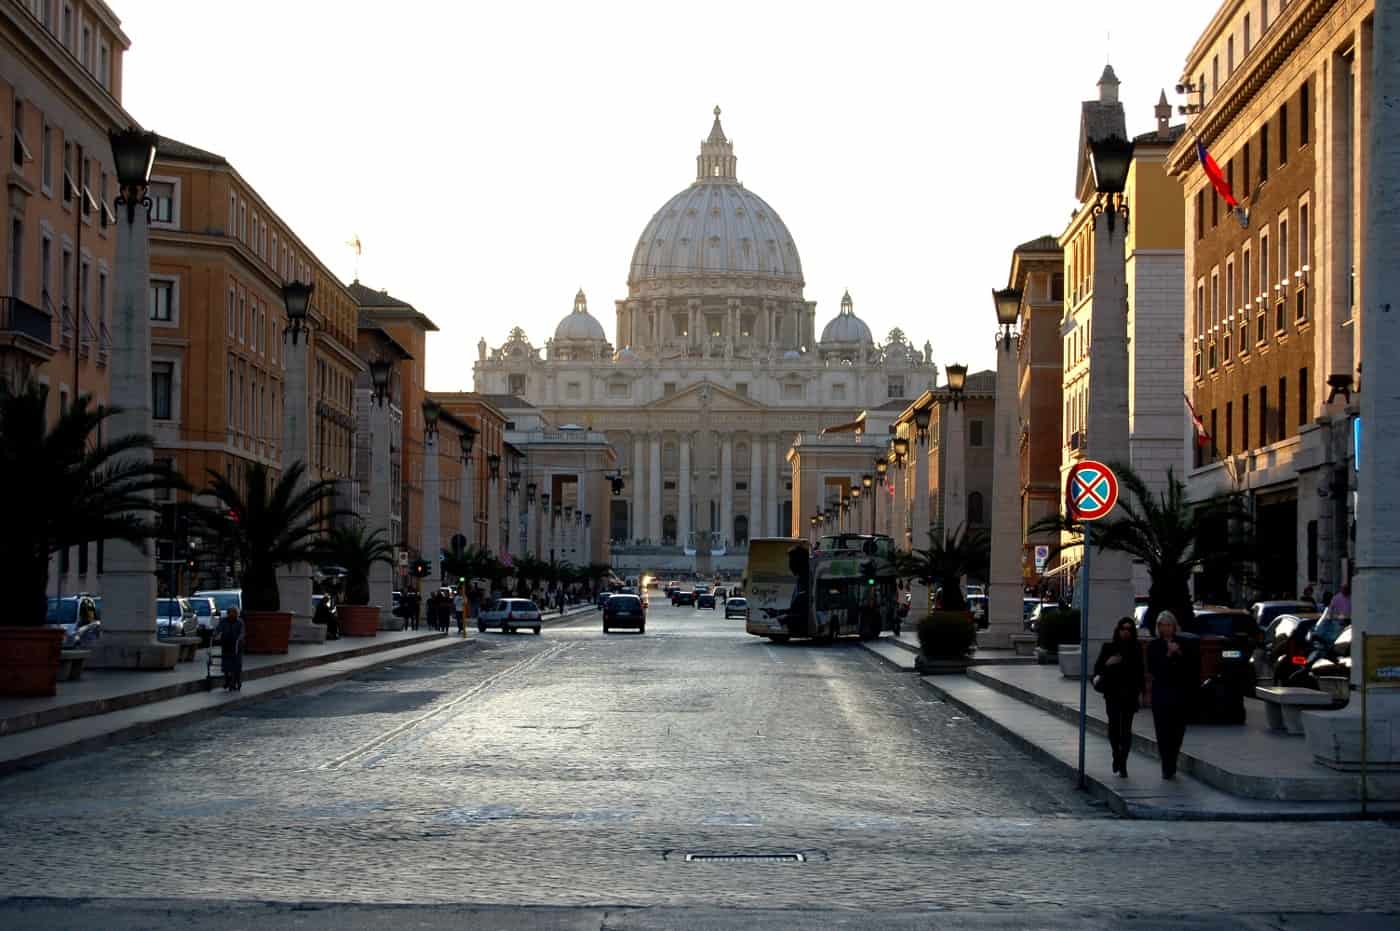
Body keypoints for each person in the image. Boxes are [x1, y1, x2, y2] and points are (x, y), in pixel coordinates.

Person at [1094, 617, 1146, 777]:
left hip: (1130, 694)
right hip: (1112, 693)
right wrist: (1108, 664)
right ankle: (1116, 754)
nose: (1126, 631)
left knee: (1126, 729)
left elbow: (1140, 672)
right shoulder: (1109, 647)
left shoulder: (1136, 648)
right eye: (1123, 628)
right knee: (1114, 727)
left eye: (1129, 629)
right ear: (1118, 630)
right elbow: (1097, 670)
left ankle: (1123, 762)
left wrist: (1143, 692)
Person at [1146, 610, 1193, 779]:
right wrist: (1167, 654)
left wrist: (1178, 653)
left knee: (1177, 731)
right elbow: (1154, 669)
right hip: (1161, 694)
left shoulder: (1183, 644)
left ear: (1174, 627)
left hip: (1179, 694)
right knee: (1163, 731)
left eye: (1169, 625)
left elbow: (1190, 668)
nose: (1166, 628)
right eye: (1163, 625)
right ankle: (1167, 765)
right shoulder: (1154, 646)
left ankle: (1172, 759)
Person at [215, 607, 245, 692]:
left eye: (234, 613)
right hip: (226, 644)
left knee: (236, 665)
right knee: (226, 664)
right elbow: (218, 629)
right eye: (230, 613)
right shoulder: (224, 621)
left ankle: (236, 681)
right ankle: (227, 680)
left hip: (236, 645)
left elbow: (242, 632)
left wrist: (239, 638)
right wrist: (215, 634)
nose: (232, 615)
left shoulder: (240, 622)